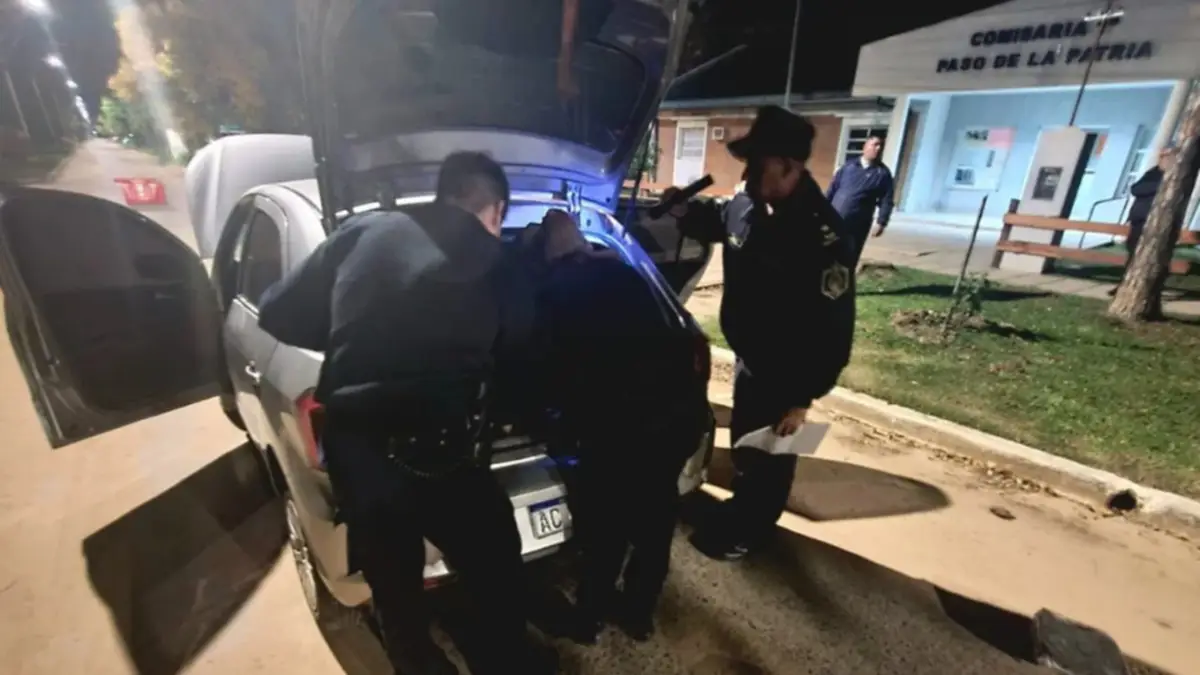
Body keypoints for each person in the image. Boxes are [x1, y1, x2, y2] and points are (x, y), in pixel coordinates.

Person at [256, 151, 555, 675]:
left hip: (357, 451)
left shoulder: (363, 231)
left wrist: (351, 333)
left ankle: (417, 661)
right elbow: (522, 354)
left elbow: (276, 310)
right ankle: (505, 660)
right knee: (494, 566)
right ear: (496, 210)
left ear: (446, 192)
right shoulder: (498, 262)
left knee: (395, 589)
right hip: (440, 451)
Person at [667, 105, 857, 562]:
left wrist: (802, 398)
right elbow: (717, 220)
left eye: (758, 164)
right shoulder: (747, 204)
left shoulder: (822, 236)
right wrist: (683, 209)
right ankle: (741, 509)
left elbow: (833, 329)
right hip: (750, 360)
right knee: (746, 448)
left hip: (789, 373)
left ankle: (750, 533)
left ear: (789, 167)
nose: (748, 173)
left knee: (772, 457)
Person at [527, 212, 708, 642]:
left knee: (605, 529)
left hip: (619, 429)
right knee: (654, 526)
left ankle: (589, 616)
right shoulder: (625, 274)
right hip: (671, 420)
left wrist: (549, 420)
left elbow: (549, 370)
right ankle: (638, 613)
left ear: (548, 254)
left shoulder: (554, 291)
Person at [1110, 147, 1176, 296]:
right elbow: (1136, 189)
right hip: (1138, 221)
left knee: (1153, 256)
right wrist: (1157, 186)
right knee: (1133, 254)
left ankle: (1151, 288)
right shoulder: (1153, 173)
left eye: (1168, 157)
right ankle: (1124, 285)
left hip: (1156, 222)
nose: (1164, 160)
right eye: (1163, 157)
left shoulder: (1175, 176)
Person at [825, 133, 894, 264]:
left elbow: (886, 200)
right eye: (875, 145)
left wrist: (881, 222)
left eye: (881, 146)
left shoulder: (883, 173)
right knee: (827, 254)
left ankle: (845, 276)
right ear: (865, 146)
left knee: (849, 257)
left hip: (858, 224)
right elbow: (832, 190)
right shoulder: (848, 166)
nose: (878, 148)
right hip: (835, 219)